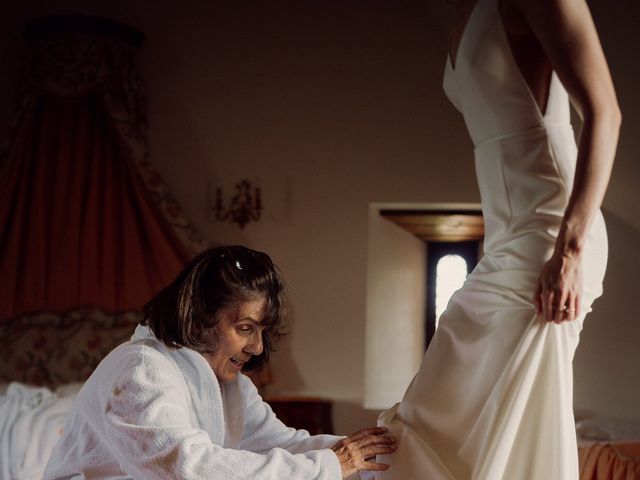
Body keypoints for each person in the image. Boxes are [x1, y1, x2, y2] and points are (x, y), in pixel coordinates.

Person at [377, 0, 620, 478]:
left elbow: (605, 113)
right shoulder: (462, 10)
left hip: (554, 233)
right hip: (510, 234)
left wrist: (568, 250)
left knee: (510, 413)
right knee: (459, 420)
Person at [44, 245, 396, 480]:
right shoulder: (141, 370)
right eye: (245, 328)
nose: (257, 347)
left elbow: (280, 444)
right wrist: (332, 464)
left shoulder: (230, 385)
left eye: (261, 331)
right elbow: (187, 469)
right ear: (199, 321)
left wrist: (369, 457)